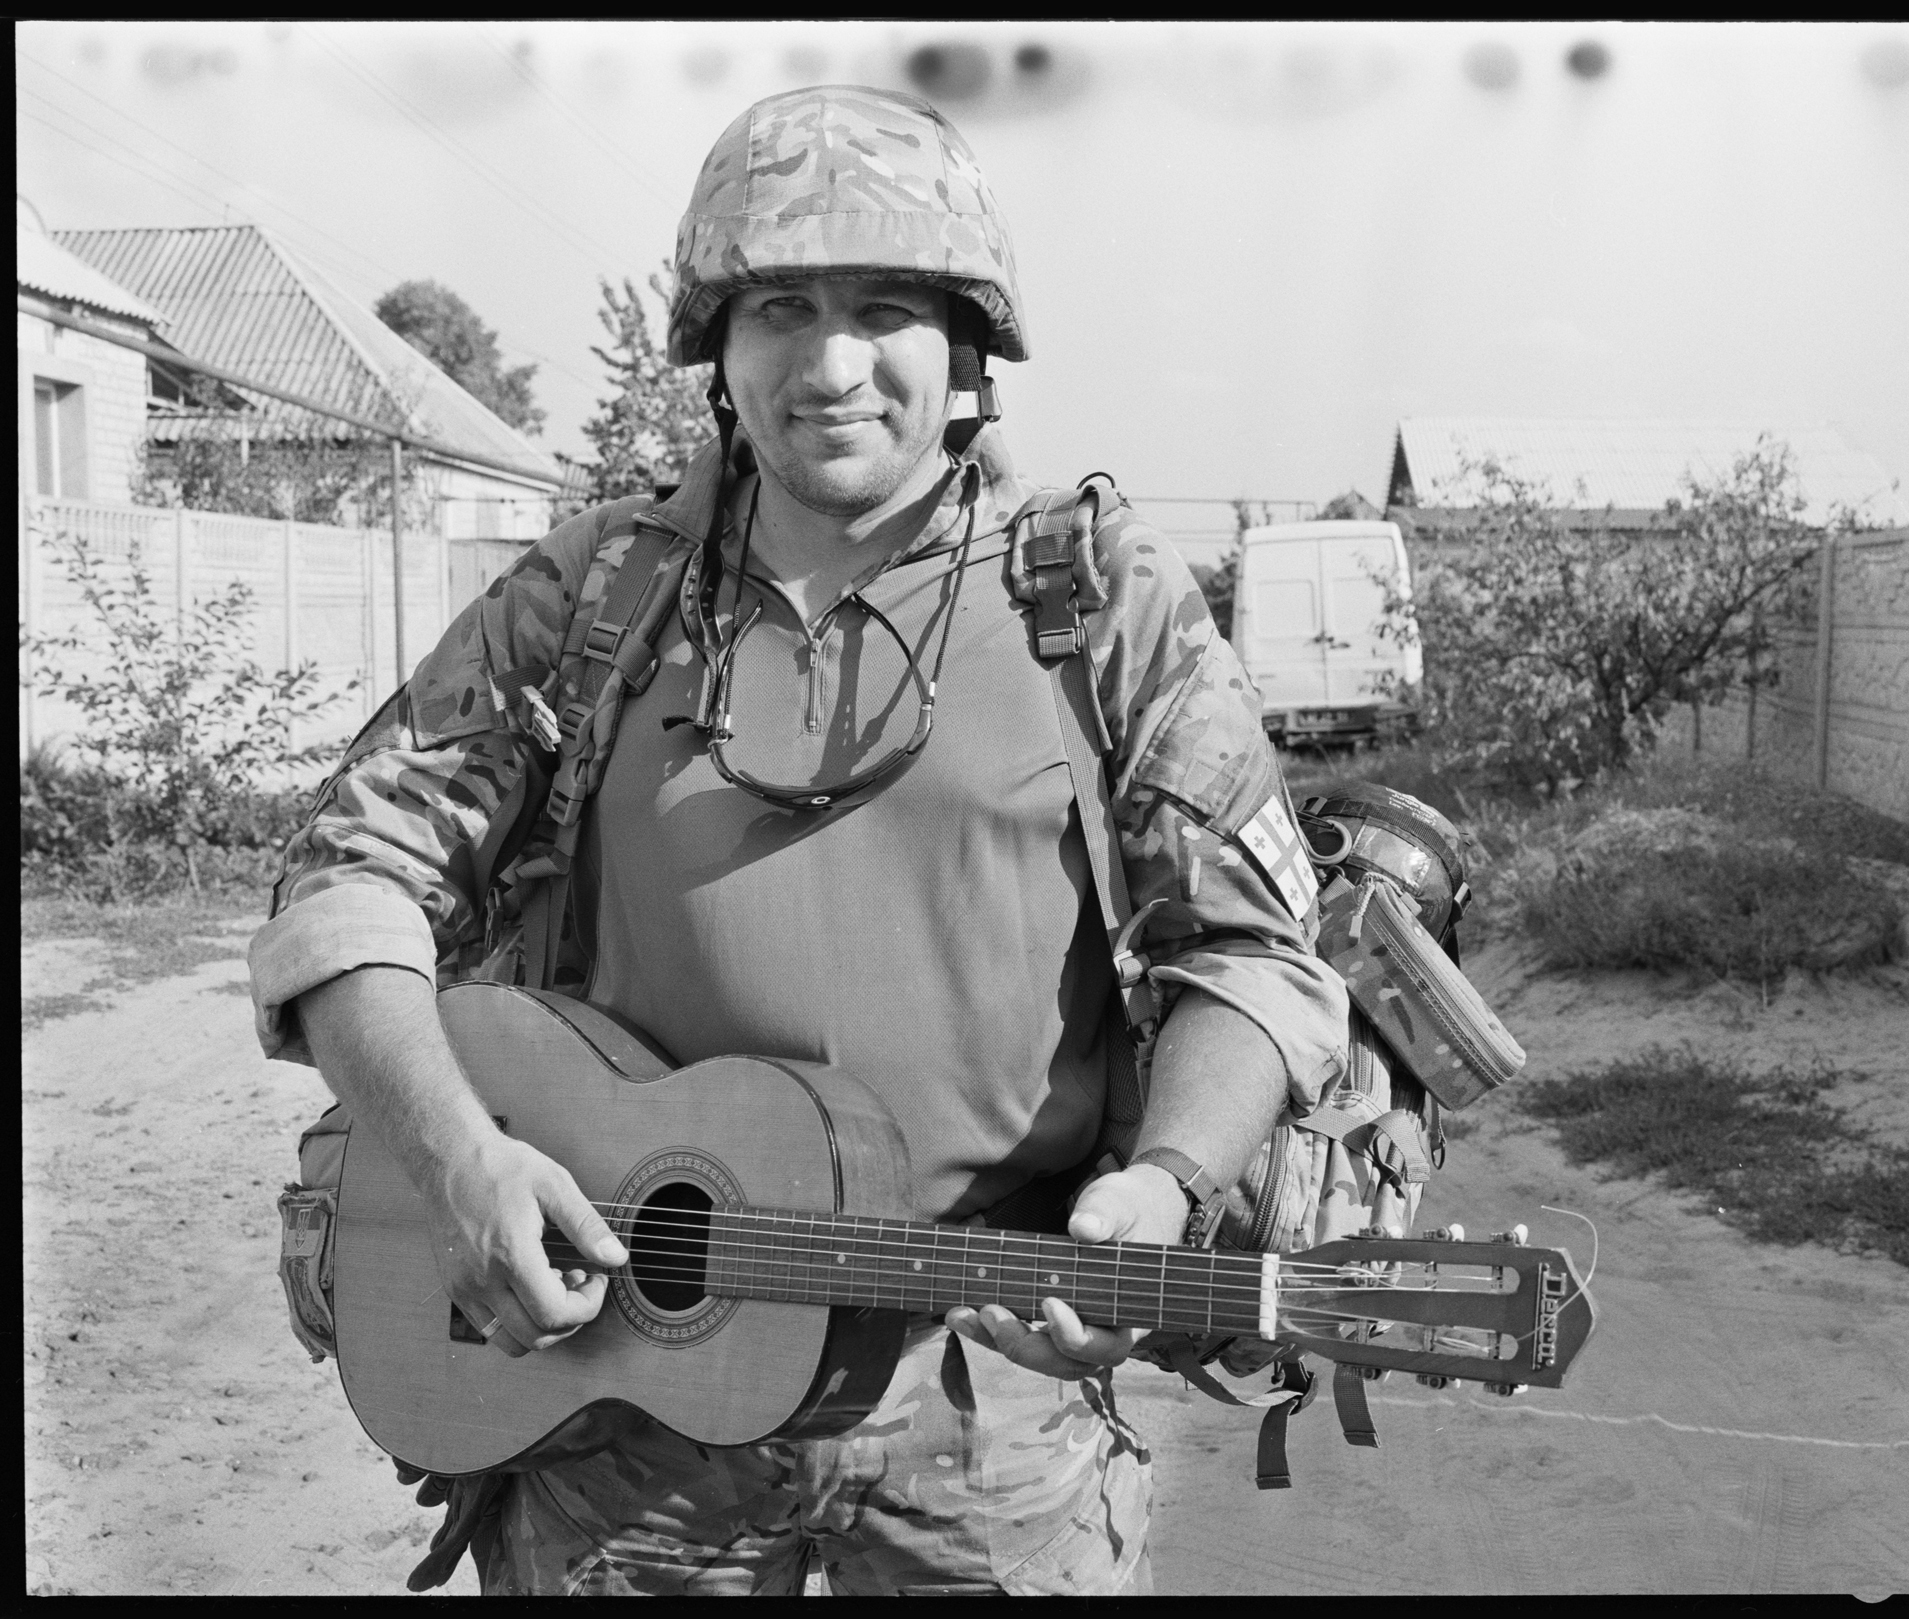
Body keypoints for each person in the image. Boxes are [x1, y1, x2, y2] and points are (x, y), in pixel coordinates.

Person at [249, 83, 1350, 1597]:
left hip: (986, 1403)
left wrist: (1161, 1189)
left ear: (966, 349)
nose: (831, 364)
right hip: (619, 1389)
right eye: (781, 307)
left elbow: (1250, 955)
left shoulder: (1104, 606)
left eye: (885, 306)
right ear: (719, 345)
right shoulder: (592, 597)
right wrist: (457, 1162)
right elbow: (347, 885)